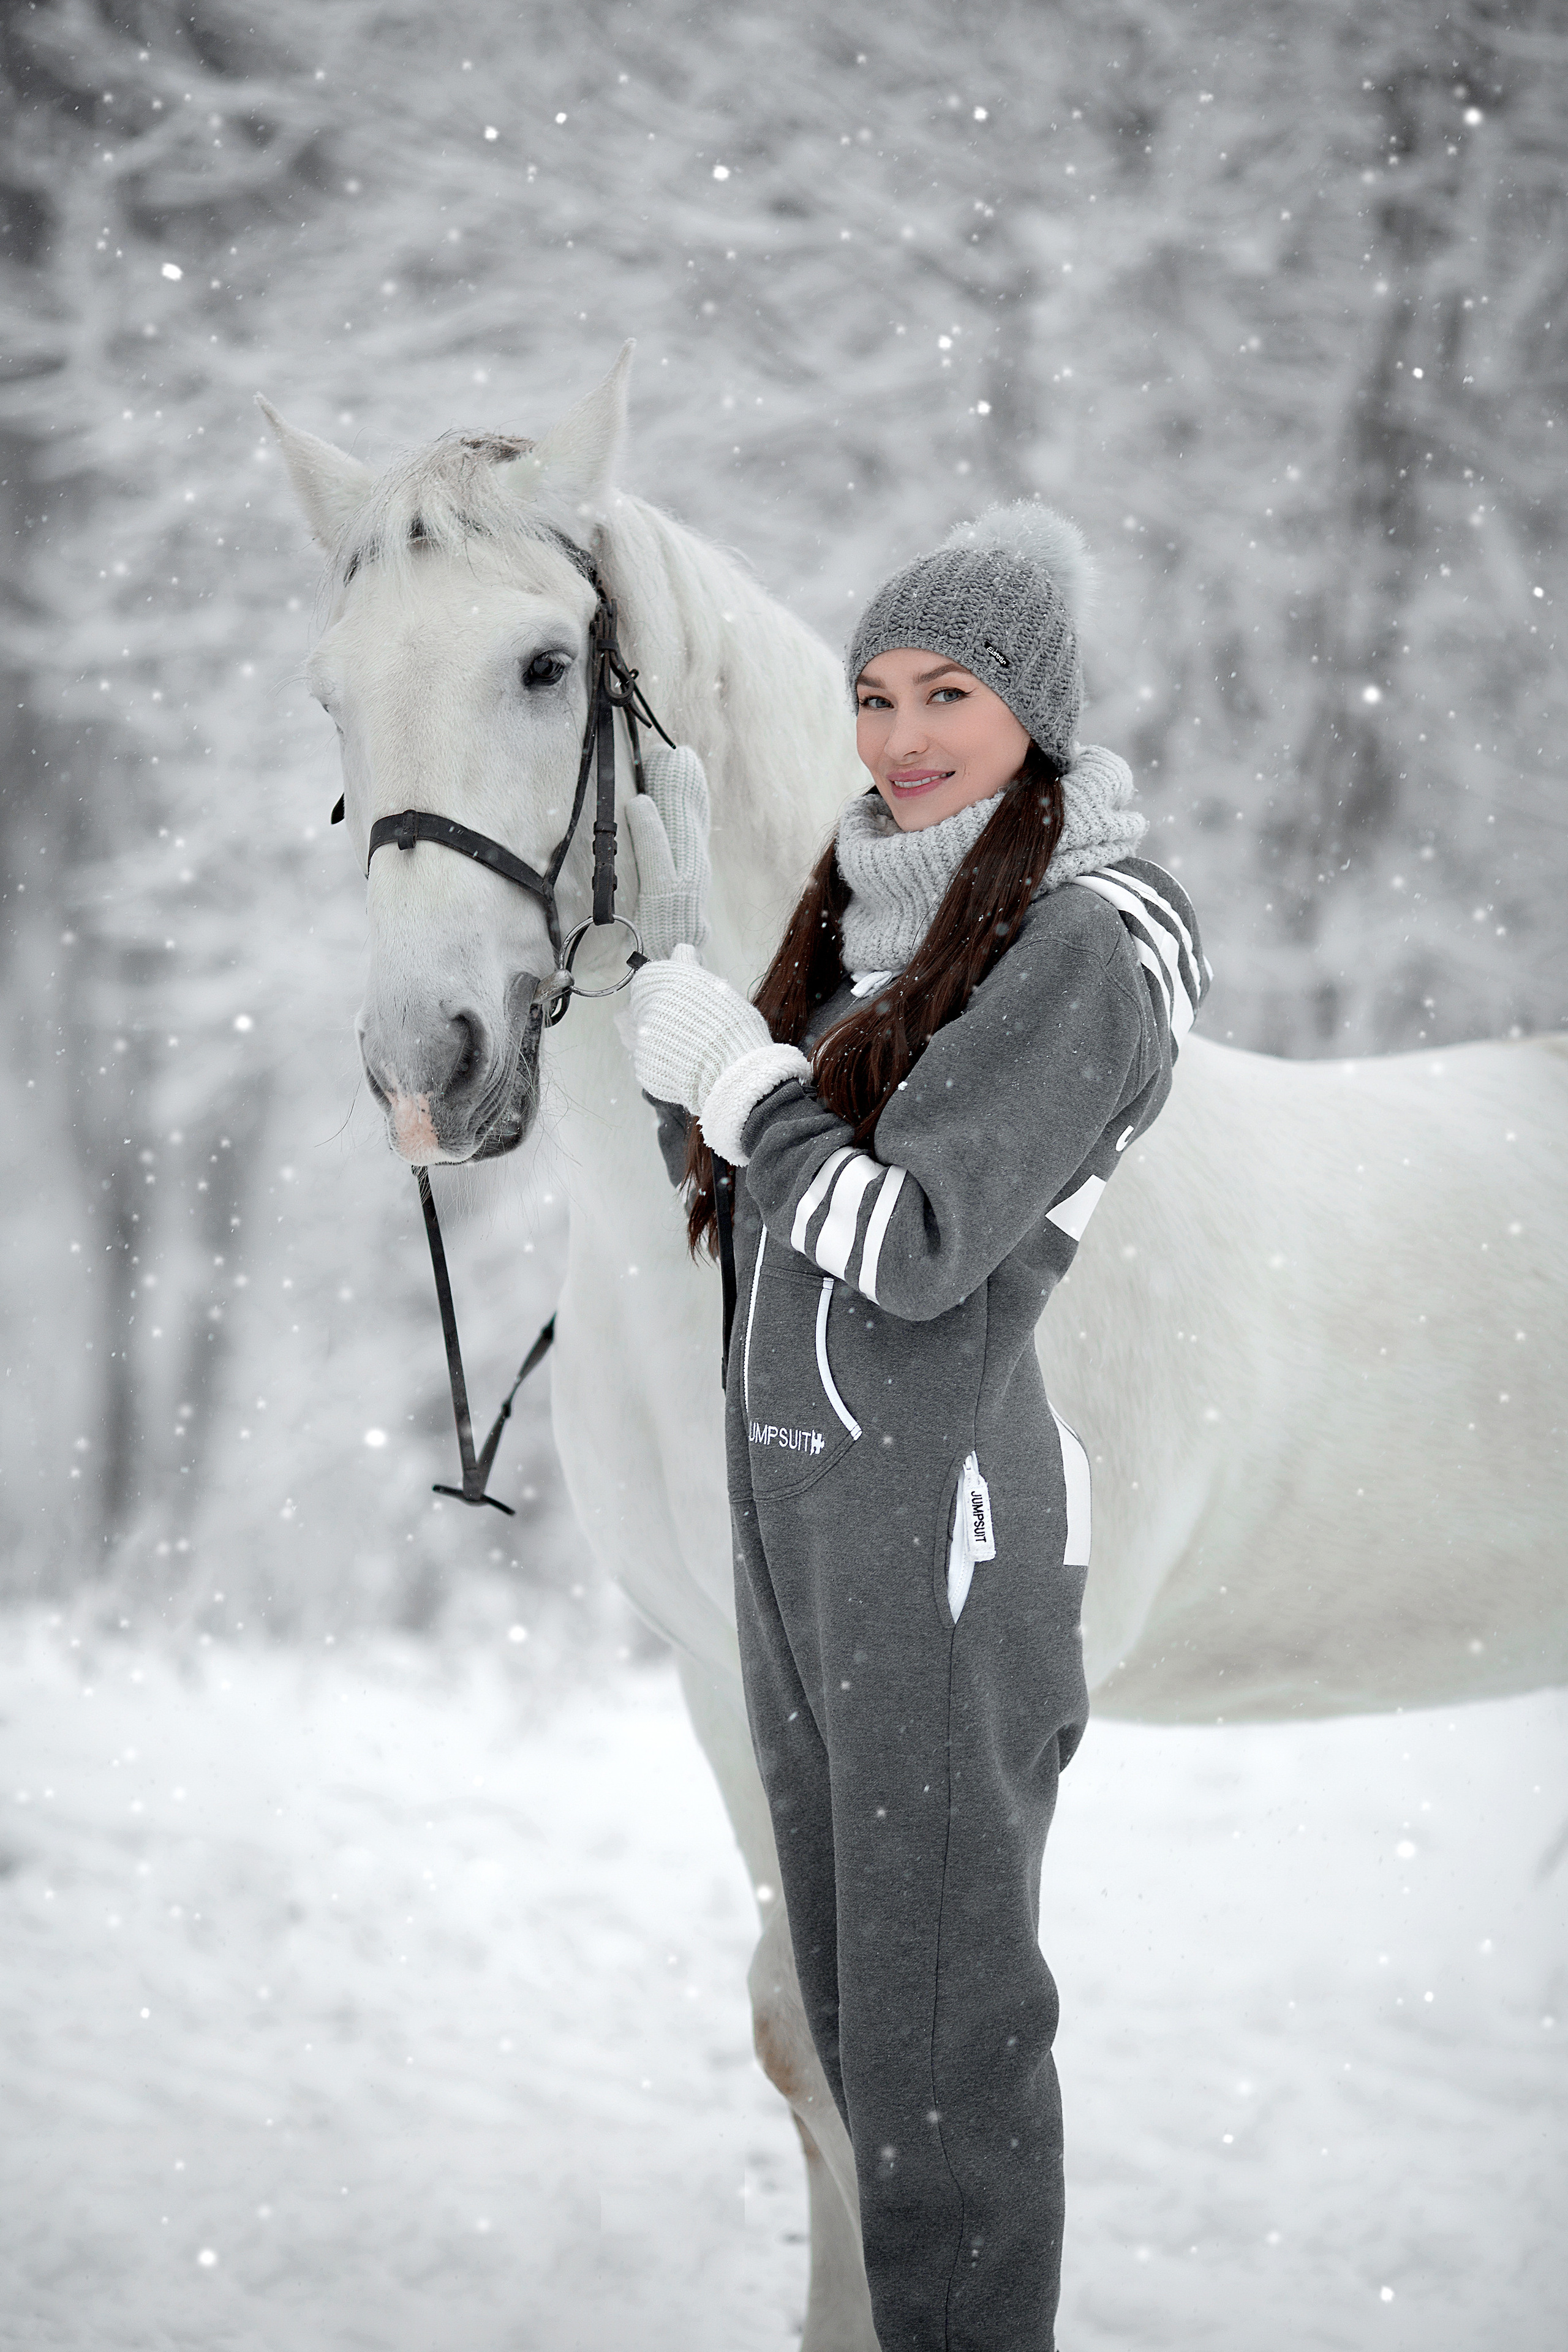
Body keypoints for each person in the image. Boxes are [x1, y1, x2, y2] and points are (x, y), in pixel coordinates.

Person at [620, 502, 1208, 2351]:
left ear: (1036, 711)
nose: (899, 735)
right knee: (871, 2037)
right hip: (809, 1533)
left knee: (948, 2055)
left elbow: (913, 1239)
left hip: (938, 1544)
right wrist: (678, 995)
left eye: (948, 692)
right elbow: (766, 1192)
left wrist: (745, 1083)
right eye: (875, 695)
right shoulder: (885, 921)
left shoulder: (1086, 947)